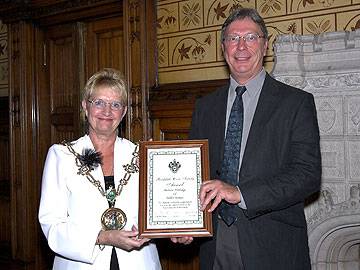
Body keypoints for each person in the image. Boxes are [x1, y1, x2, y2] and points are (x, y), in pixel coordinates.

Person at [173, 8, 322, 270]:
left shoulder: (296, 103)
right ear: (223, 48)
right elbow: (194, 176)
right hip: (215, 244)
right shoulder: (205, 107)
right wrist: (185, 223)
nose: (241, 46)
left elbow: (307, 175)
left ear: (265, 46)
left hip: (273, 247)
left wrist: (240, 193)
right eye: (233, 39)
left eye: (251, 38)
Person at [38, 68, 161, 270]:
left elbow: (160, 212)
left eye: (115, 104)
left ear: (124, 112)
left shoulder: (143, 155)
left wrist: (176, 229)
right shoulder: (62, 156)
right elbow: (51, 224)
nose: (106, 111)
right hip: (81, 263)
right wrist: (103, 237)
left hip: (139, 262)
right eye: (99, 103)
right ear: (85, 107)